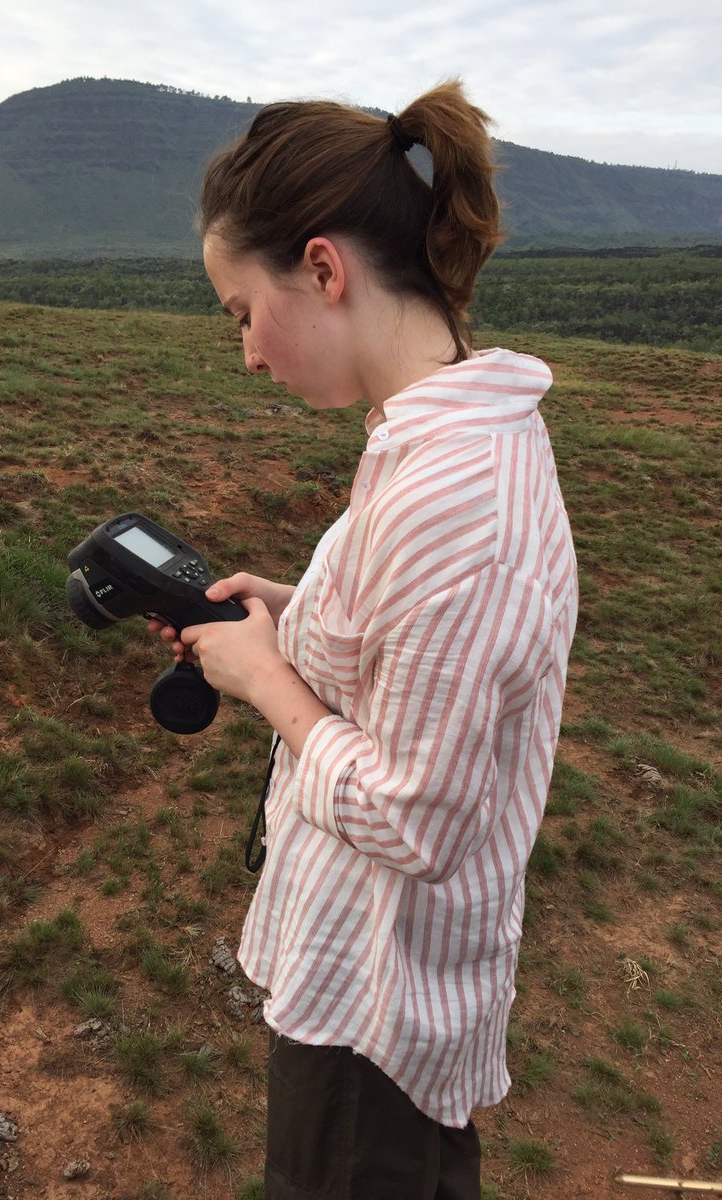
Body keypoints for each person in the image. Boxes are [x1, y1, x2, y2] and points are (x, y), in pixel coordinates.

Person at [149, 79, 578, 1200]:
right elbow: (418, 627)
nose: (245, 354)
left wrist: (265, 685)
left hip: (377, 1012)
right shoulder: (434, 438)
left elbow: (415, 816)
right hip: (382, 980)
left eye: (242, 313)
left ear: (325, 270)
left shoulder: (453, 495)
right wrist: (295, 607)